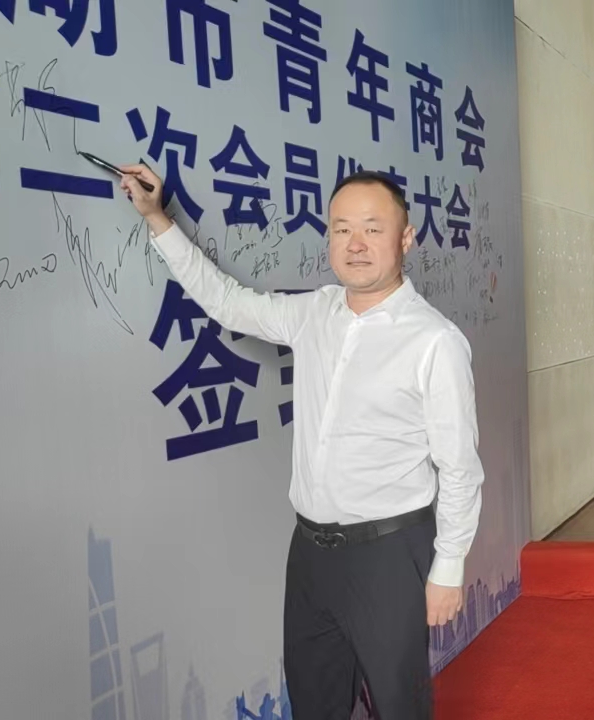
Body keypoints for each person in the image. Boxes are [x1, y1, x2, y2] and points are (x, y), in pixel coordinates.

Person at [118, 164, 484, 719]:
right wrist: (158, 219)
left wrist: (448, 568)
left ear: (405, 238)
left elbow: (459, 468)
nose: (355, 244)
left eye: (373, 229)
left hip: (389, 555)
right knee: (314, 701)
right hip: (311, 553)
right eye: (341, 229)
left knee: (399, 705)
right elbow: (228, 302)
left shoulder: (435, 341)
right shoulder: (313, 312)